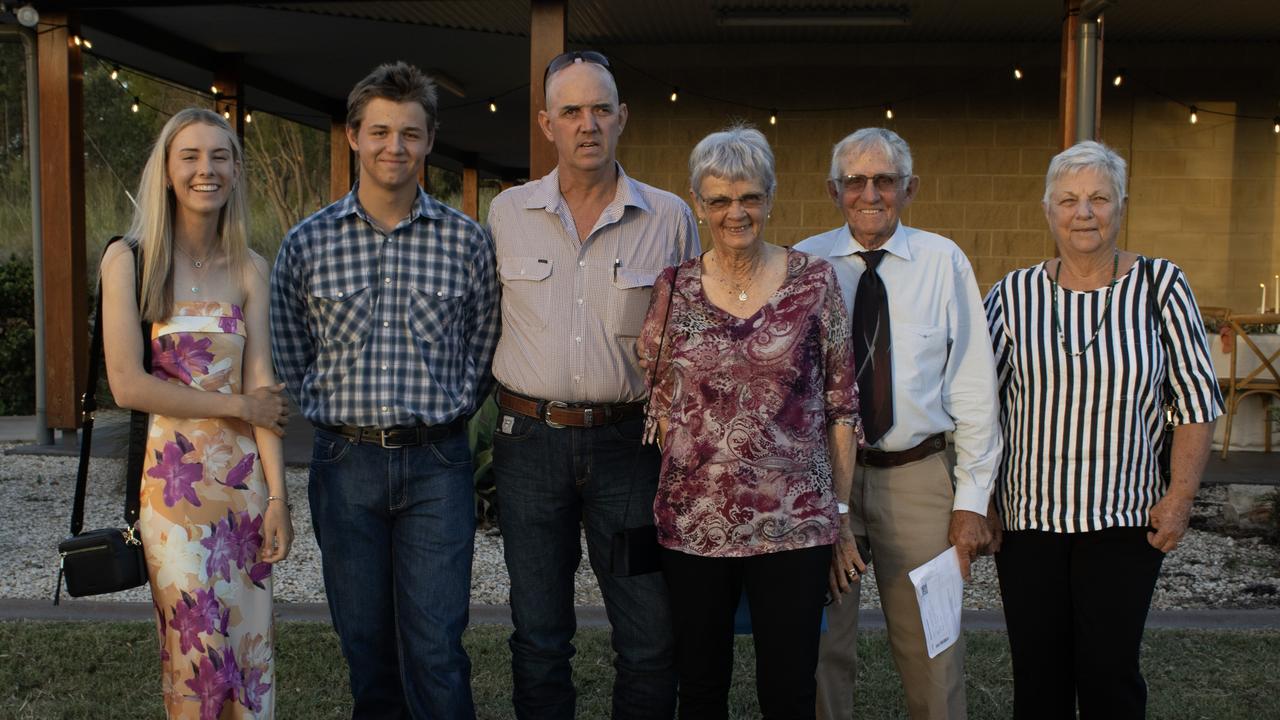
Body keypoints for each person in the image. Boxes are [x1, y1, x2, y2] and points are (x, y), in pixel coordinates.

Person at [271, 62, 499, 718]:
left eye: (409, 133)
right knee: (365, 643)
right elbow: (292, 351)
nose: (393, 147)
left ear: (429, 141)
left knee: (435, 646)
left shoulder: (465, 242)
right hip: (346, 466)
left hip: (438, 465)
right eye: (379, 132)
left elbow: (481, 354)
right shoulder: (307, 244)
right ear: (352, 136)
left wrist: (446, 413)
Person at [486, 50, 698, 719]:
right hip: (529, 448)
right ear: (547, 123)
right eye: (571, 110)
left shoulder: (668, 219)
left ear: (622, 118)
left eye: (600, 109)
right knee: (540, 636)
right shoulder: (506, 214)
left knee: (648, 635)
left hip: (631, 452)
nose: (587, 124)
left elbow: (693, 339)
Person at [983, 140, 1222, 719]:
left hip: (1123, 520)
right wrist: (982, 500)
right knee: (1038, 680)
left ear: (1121, 206)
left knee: (1110, 677)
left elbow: (1195, 401)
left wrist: (1180, 496)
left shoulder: (1162, 286)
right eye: (1068, 200)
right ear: (1047, 210)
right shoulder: (1012, 295)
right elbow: (980, 406)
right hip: (1029, 522)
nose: (1083, 213)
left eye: (1098, 198)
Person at [637, 124, 862, 719]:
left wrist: (838, 517)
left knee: (788, 691)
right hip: (693, 526)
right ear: (698, 203)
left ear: (770, 196)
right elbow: (657, 388)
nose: (735, 212)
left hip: (794, 524)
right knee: (701, 688)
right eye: (718, 200)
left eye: (749, 197)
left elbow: (842, 407)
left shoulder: (815, 281)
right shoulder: (675, 286)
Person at [795, 127, 1002, 720]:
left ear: (909, 189)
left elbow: (973, 387)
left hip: (917, 481)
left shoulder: (944, 262)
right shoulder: (805, 265)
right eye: (855, 181)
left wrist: (971, 499)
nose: (870, 193)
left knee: (933, 650)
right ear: (834, 191)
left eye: (884, 180)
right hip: (824, 481)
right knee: (821, 648)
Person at [100, 107, 293, 718]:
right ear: (166, 170)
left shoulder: (251, 267)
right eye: (190, 156)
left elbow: (263, 385)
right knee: (198, 662)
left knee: (248, 656)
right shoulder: (130, 261)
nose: (205, 169)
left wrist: (281, 499)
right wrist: (237, 403)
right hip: (173, 497)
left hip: (244, 495)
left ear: (236, 172)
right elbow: (129, 386)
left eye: (219, 157)